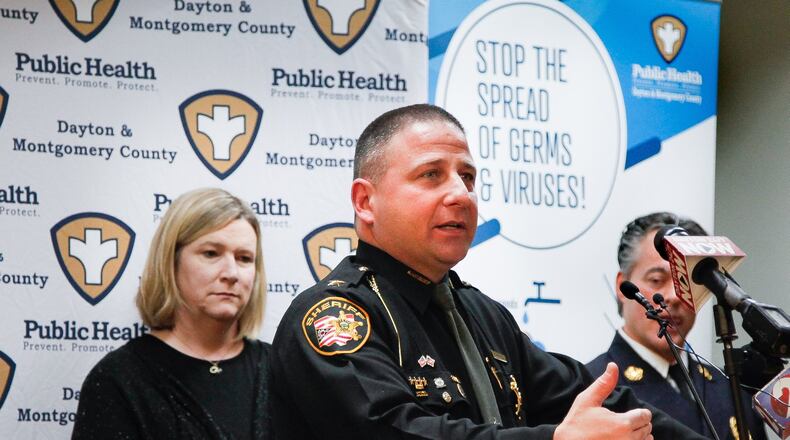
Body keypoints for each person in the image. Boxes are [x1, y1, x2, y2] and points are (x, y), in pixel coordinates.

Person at [270, 104, 706, 439]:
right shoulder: (334, 316)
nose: (461, 194)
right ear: (365, 202)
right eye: (430, 175)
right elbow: (393, 429)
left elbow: (592, 397)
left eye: (468, 177)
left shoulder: (481, 313)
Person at [72, 188, 271, 439]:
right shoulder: (121, 379)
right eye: (211, 253)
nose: (231, 273)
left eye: (244, 258)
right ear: (171, 261)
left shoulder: (281, 371)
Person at [586, 212, 766, 440]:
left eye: (685, 284)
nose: (673, 296)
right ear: (623, 287)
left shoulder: (729, 388)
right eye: (656, 280)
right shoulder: (593, 389)